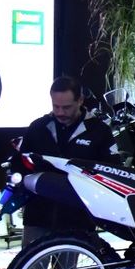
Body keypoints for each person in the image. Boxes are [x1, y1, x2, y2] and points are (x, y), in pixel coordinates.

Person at [18, 75, 118, 246]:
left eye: (66, 107)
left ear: (80, 100)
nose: (60, 112)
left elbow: (113, 169)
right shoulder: (38, 127)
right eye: (55, 106)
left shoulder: (99, 131)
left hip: (77, 217)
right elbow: (20, 164)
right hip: (38, 215)